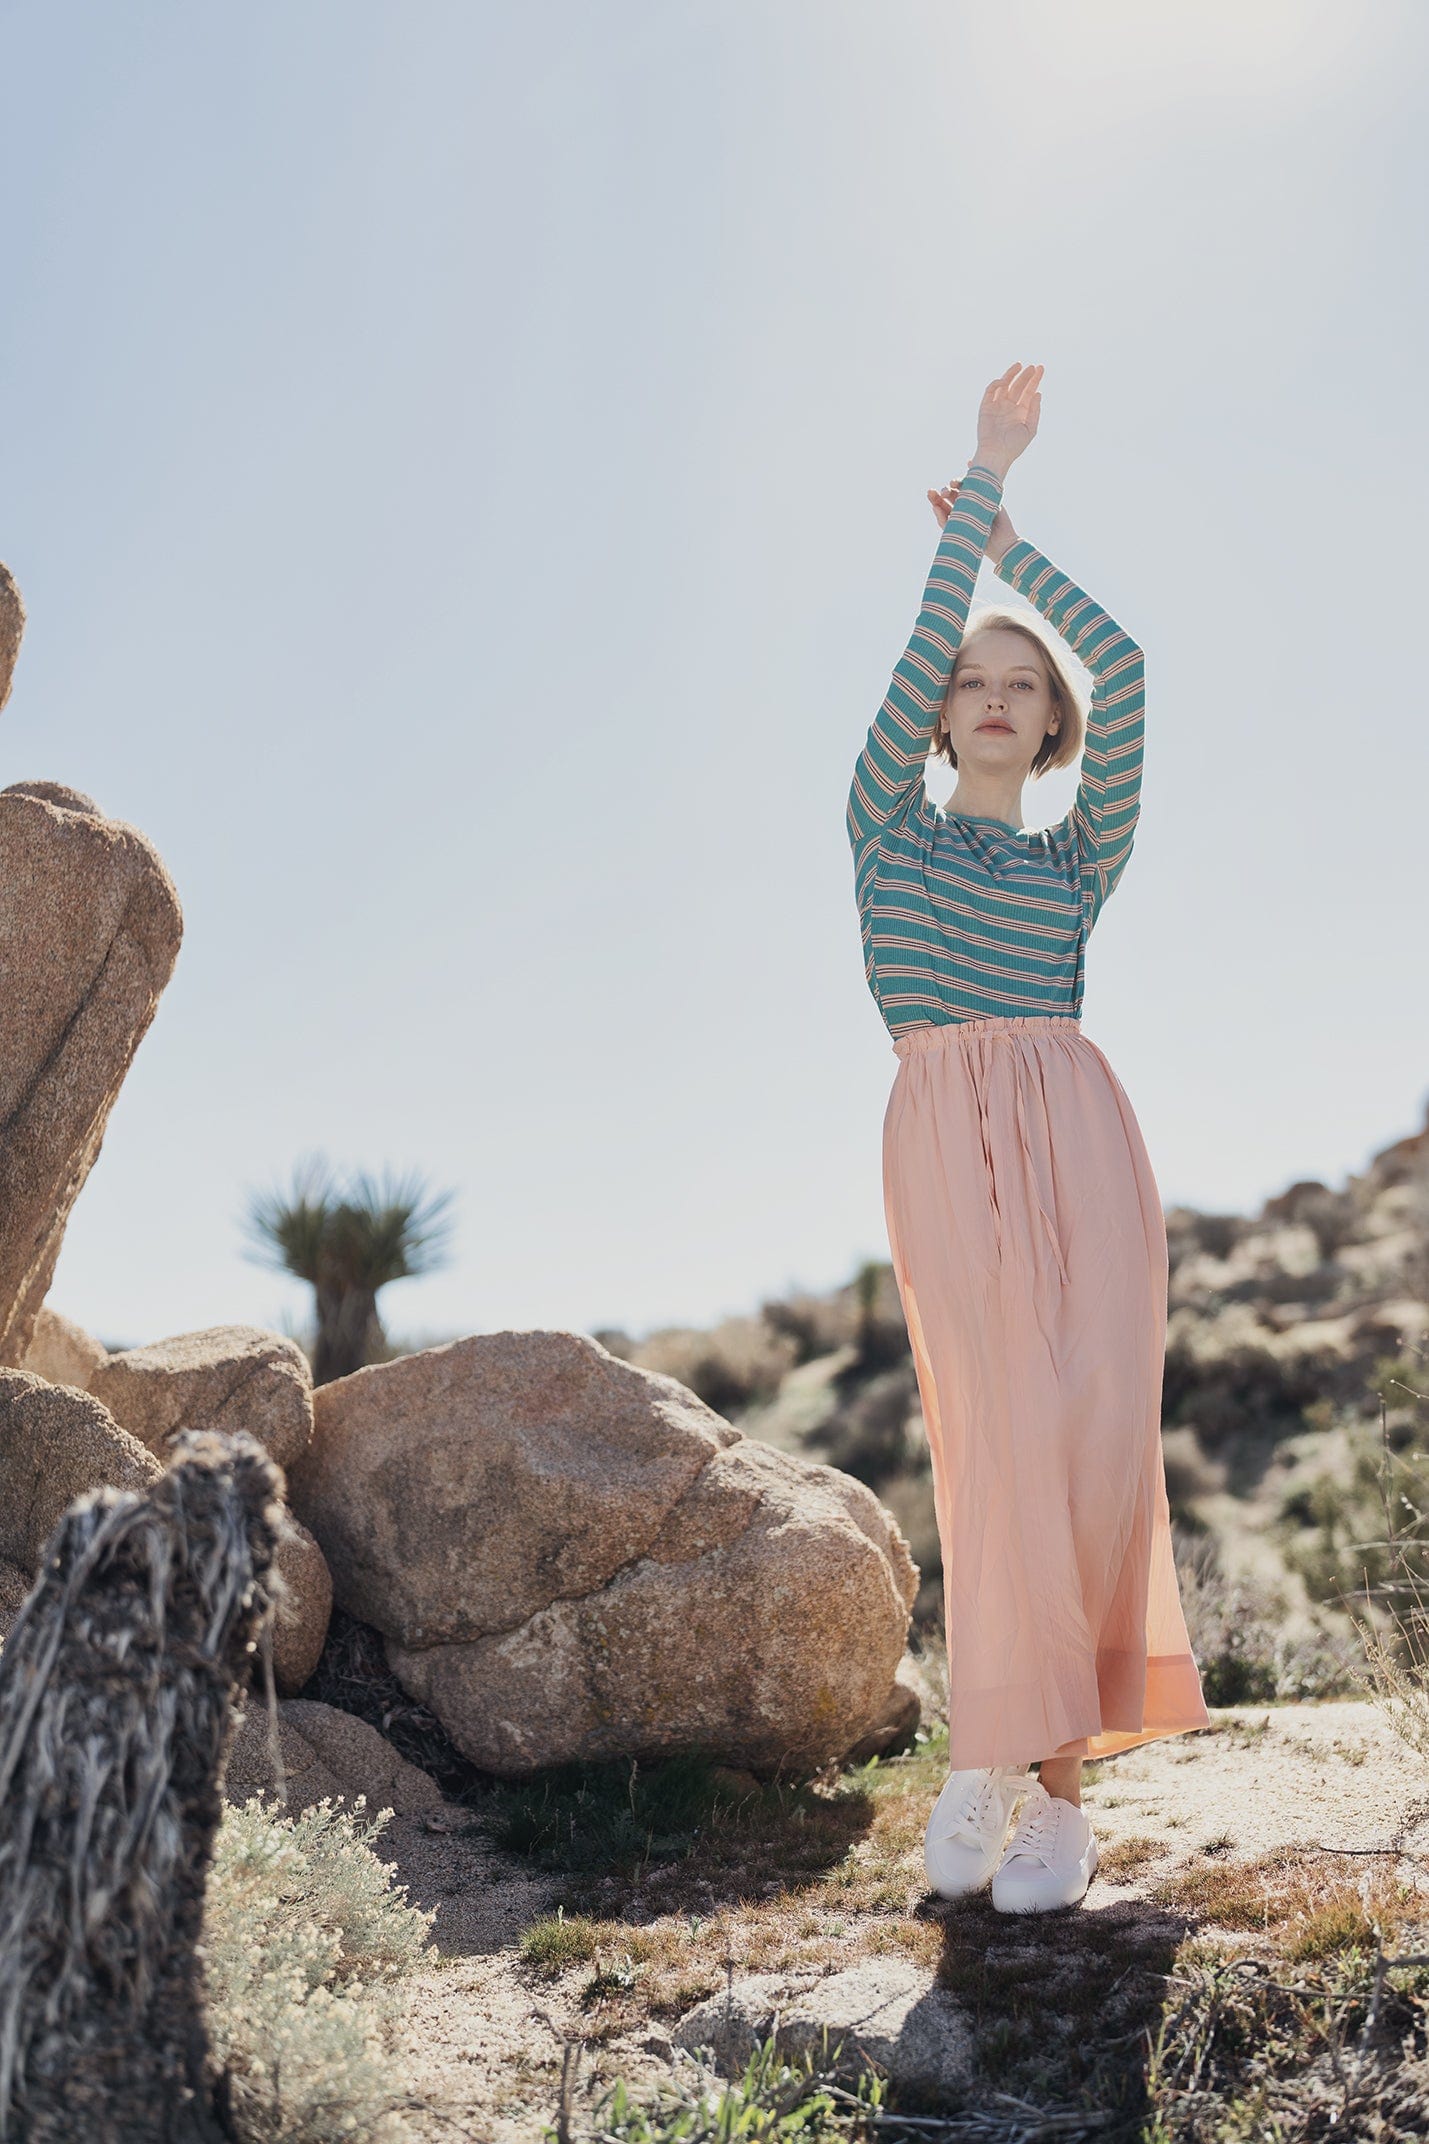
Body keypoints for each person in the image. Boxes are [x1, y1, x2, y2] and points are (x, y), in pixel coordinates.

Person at [846, 362, 1210, 1915]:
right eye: (971, 682)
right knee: (996, 1445)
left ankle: (1060, 1801)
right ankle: (990, 1755)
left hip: (1083, 1139)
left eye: (1020, 685)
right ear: (940, 719)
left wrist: (1015, 548)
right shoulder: (883, 827)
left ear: (1048, 727)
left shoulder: (1076, 867)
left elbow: (1120, 661)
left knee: (1083, 1444)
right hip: (947, 1131)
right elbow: (927, 648)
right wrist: (972, 494)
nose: (995, 695)